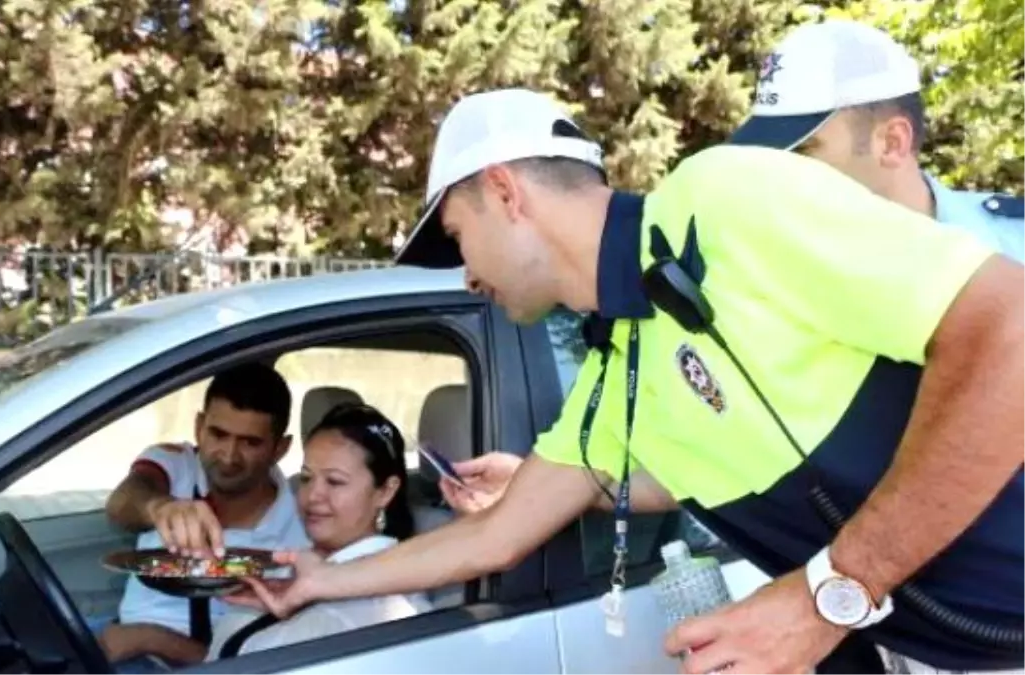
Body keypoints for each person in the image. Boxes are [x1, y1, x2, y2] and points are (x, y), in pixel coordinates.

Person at [223, 87, 1025, 675]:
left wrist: (828, 596)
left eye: (461, 237)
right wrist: (324, 578)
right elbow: (493, 536)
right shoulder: (615, 375)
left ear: (506, 192)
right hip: (956, 648)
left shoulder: (722, 199)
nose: (467, 276)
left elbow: (1010, 330)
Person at [729, 18, 1025, 257]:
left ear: (892, 143)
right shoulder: (771, 274)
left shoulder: (1014, 245)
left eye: (804, 150)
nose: (776, 171)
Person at [98, 362, 309, 672]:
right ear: (199, 427)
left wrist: (149, 639)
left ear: (281, 448)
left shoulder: (300, 528)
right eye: (218, 434)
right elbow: (123, 502)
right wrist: (160, 508)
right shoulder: (176, 465)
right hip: (122, 643)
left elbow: (259, 663)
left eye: (250, 442)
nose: (228, 456)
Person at [207, 402, 430, 659]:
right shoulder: (293, 571)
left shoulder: (384, 608)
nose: (313, 495)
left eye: (334, 481)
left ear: (385, 491)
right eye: (305, 478)